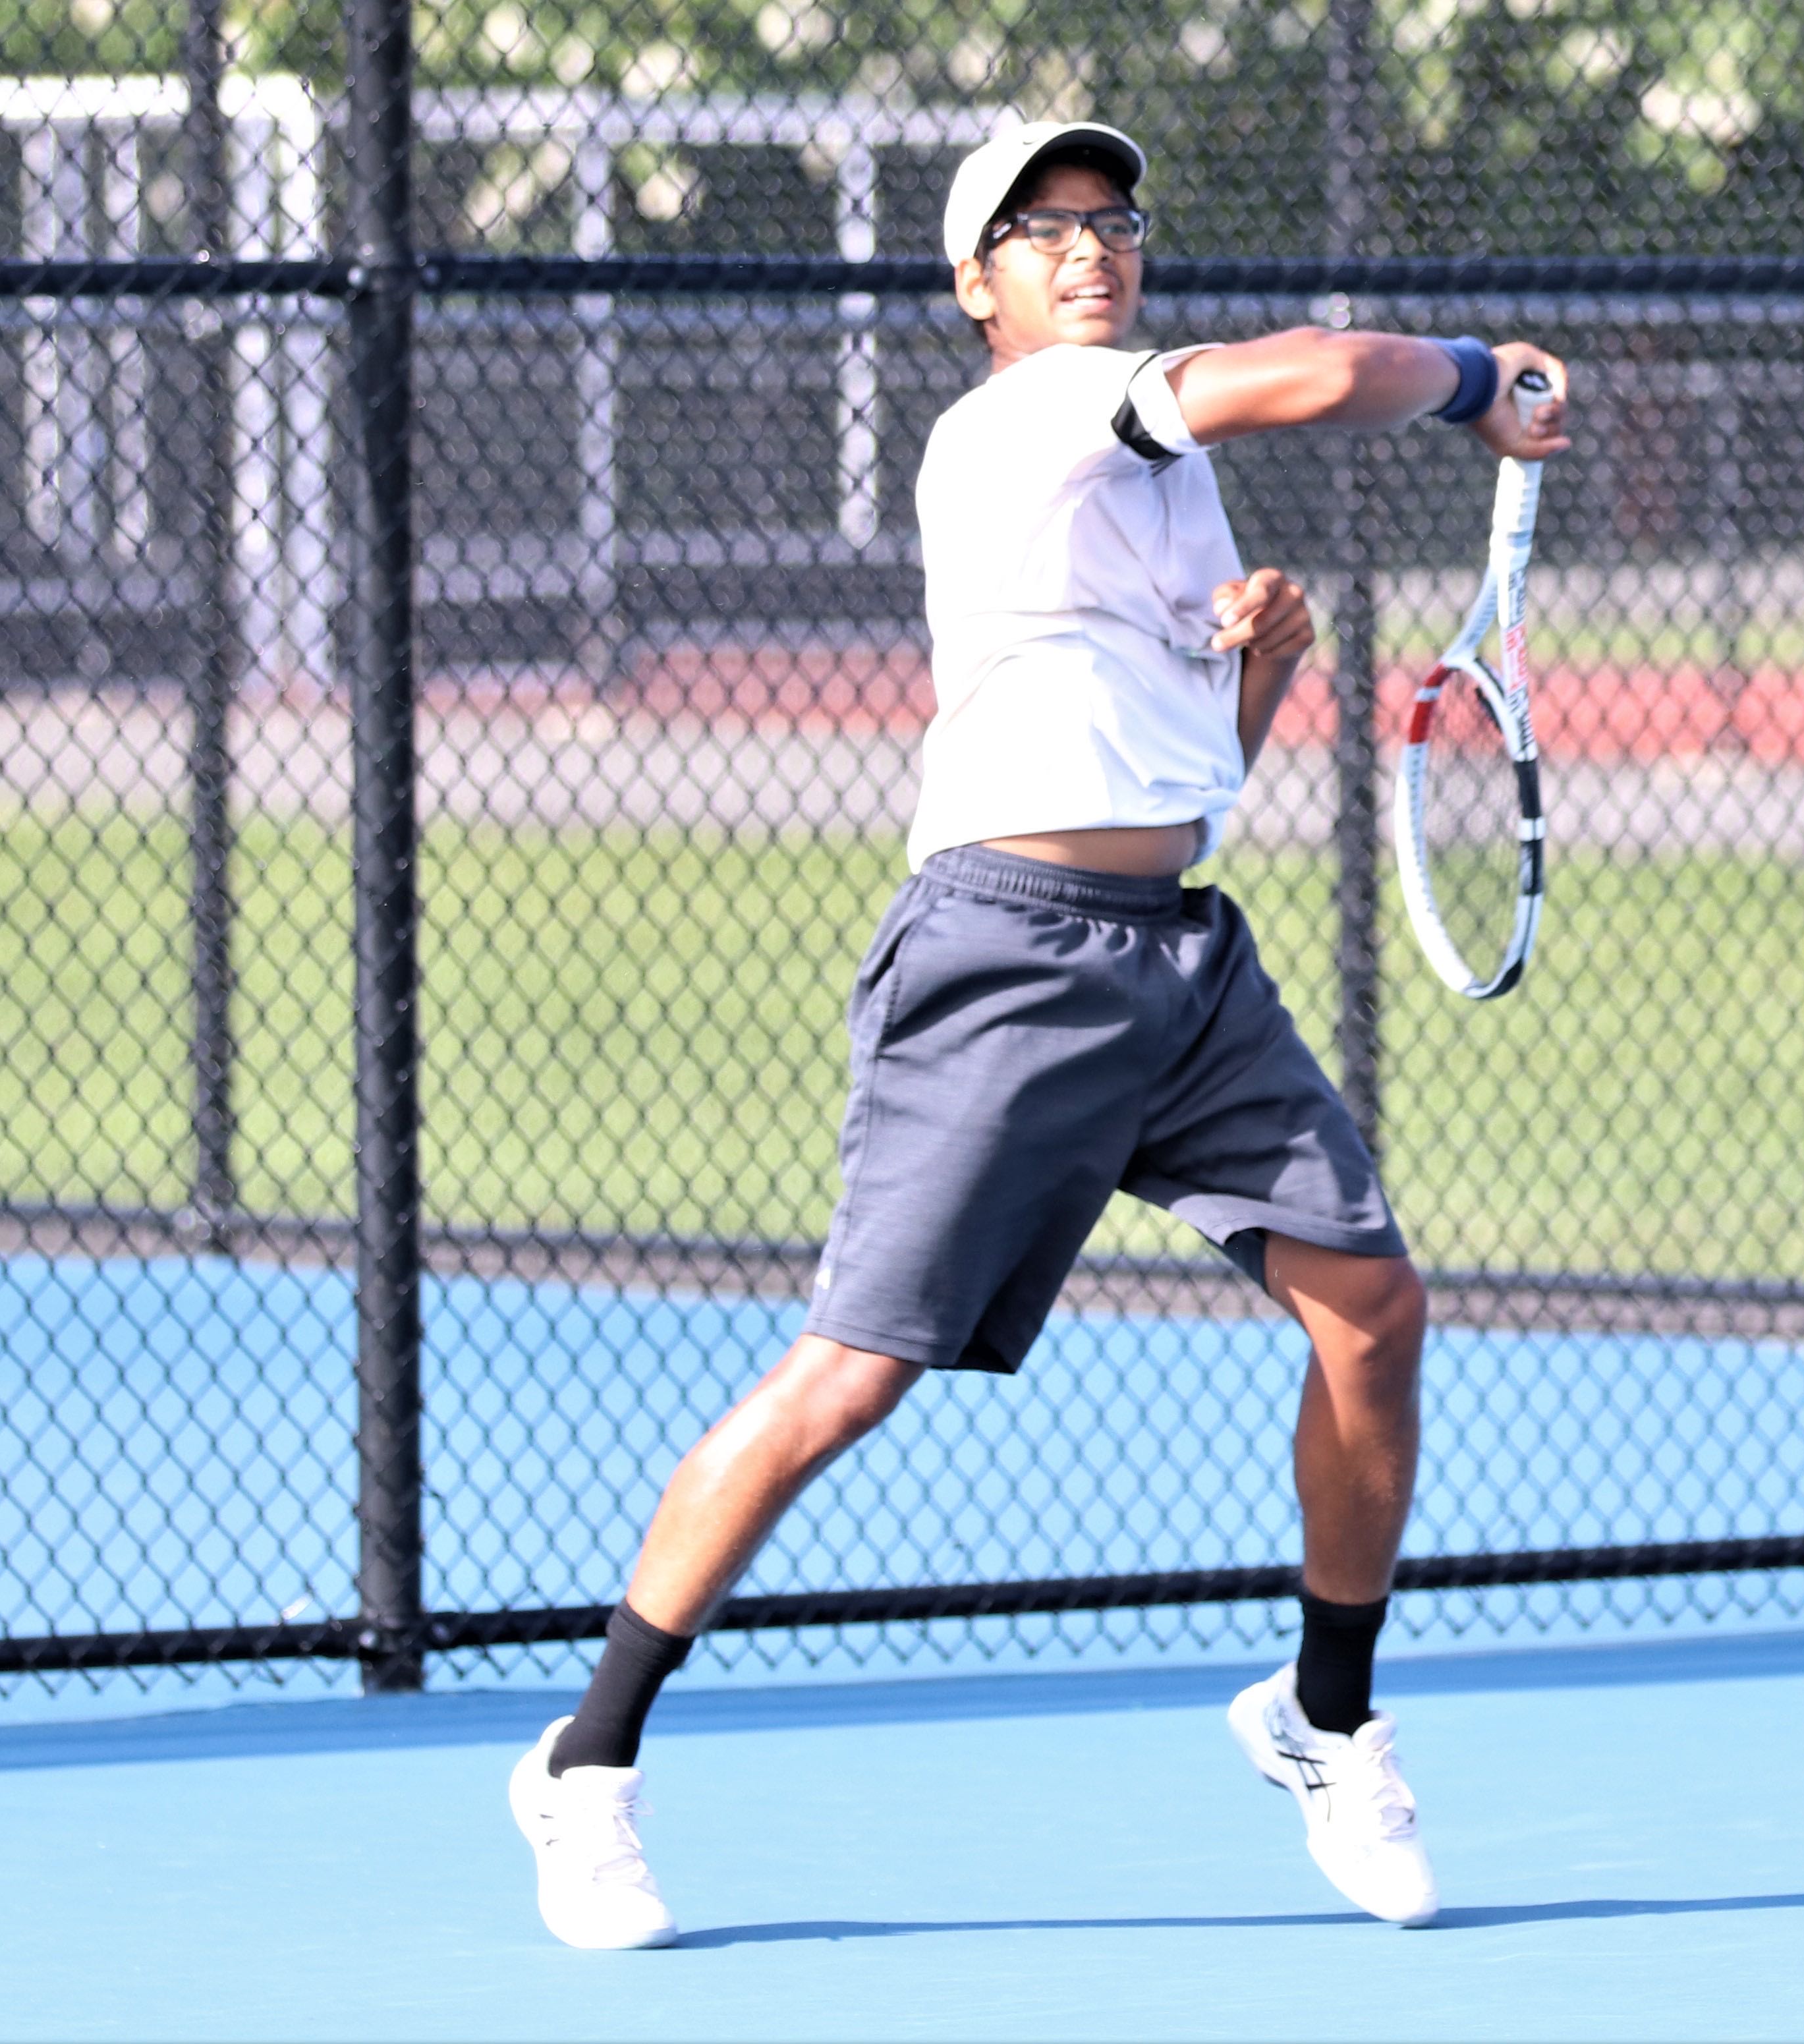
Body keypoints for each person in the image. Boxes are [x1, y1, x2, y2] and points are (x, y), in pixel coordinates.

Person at [509, 119, 1570, 1950]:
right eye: (1038, 229)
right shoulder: (1029, 417)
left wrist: (1259, 663)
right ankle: (583, 1765)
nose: (1087, 249)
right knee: (846, 1380)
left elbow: (1184, 783)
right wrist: (1482, 376)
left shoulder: (1151, 481)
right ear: (974, 285)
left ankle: (1322, 1722)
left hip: (1177, 958)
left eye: (1108, 222)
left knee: (1374, 1311)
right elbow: (1318, 373)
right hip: (1003, 960)